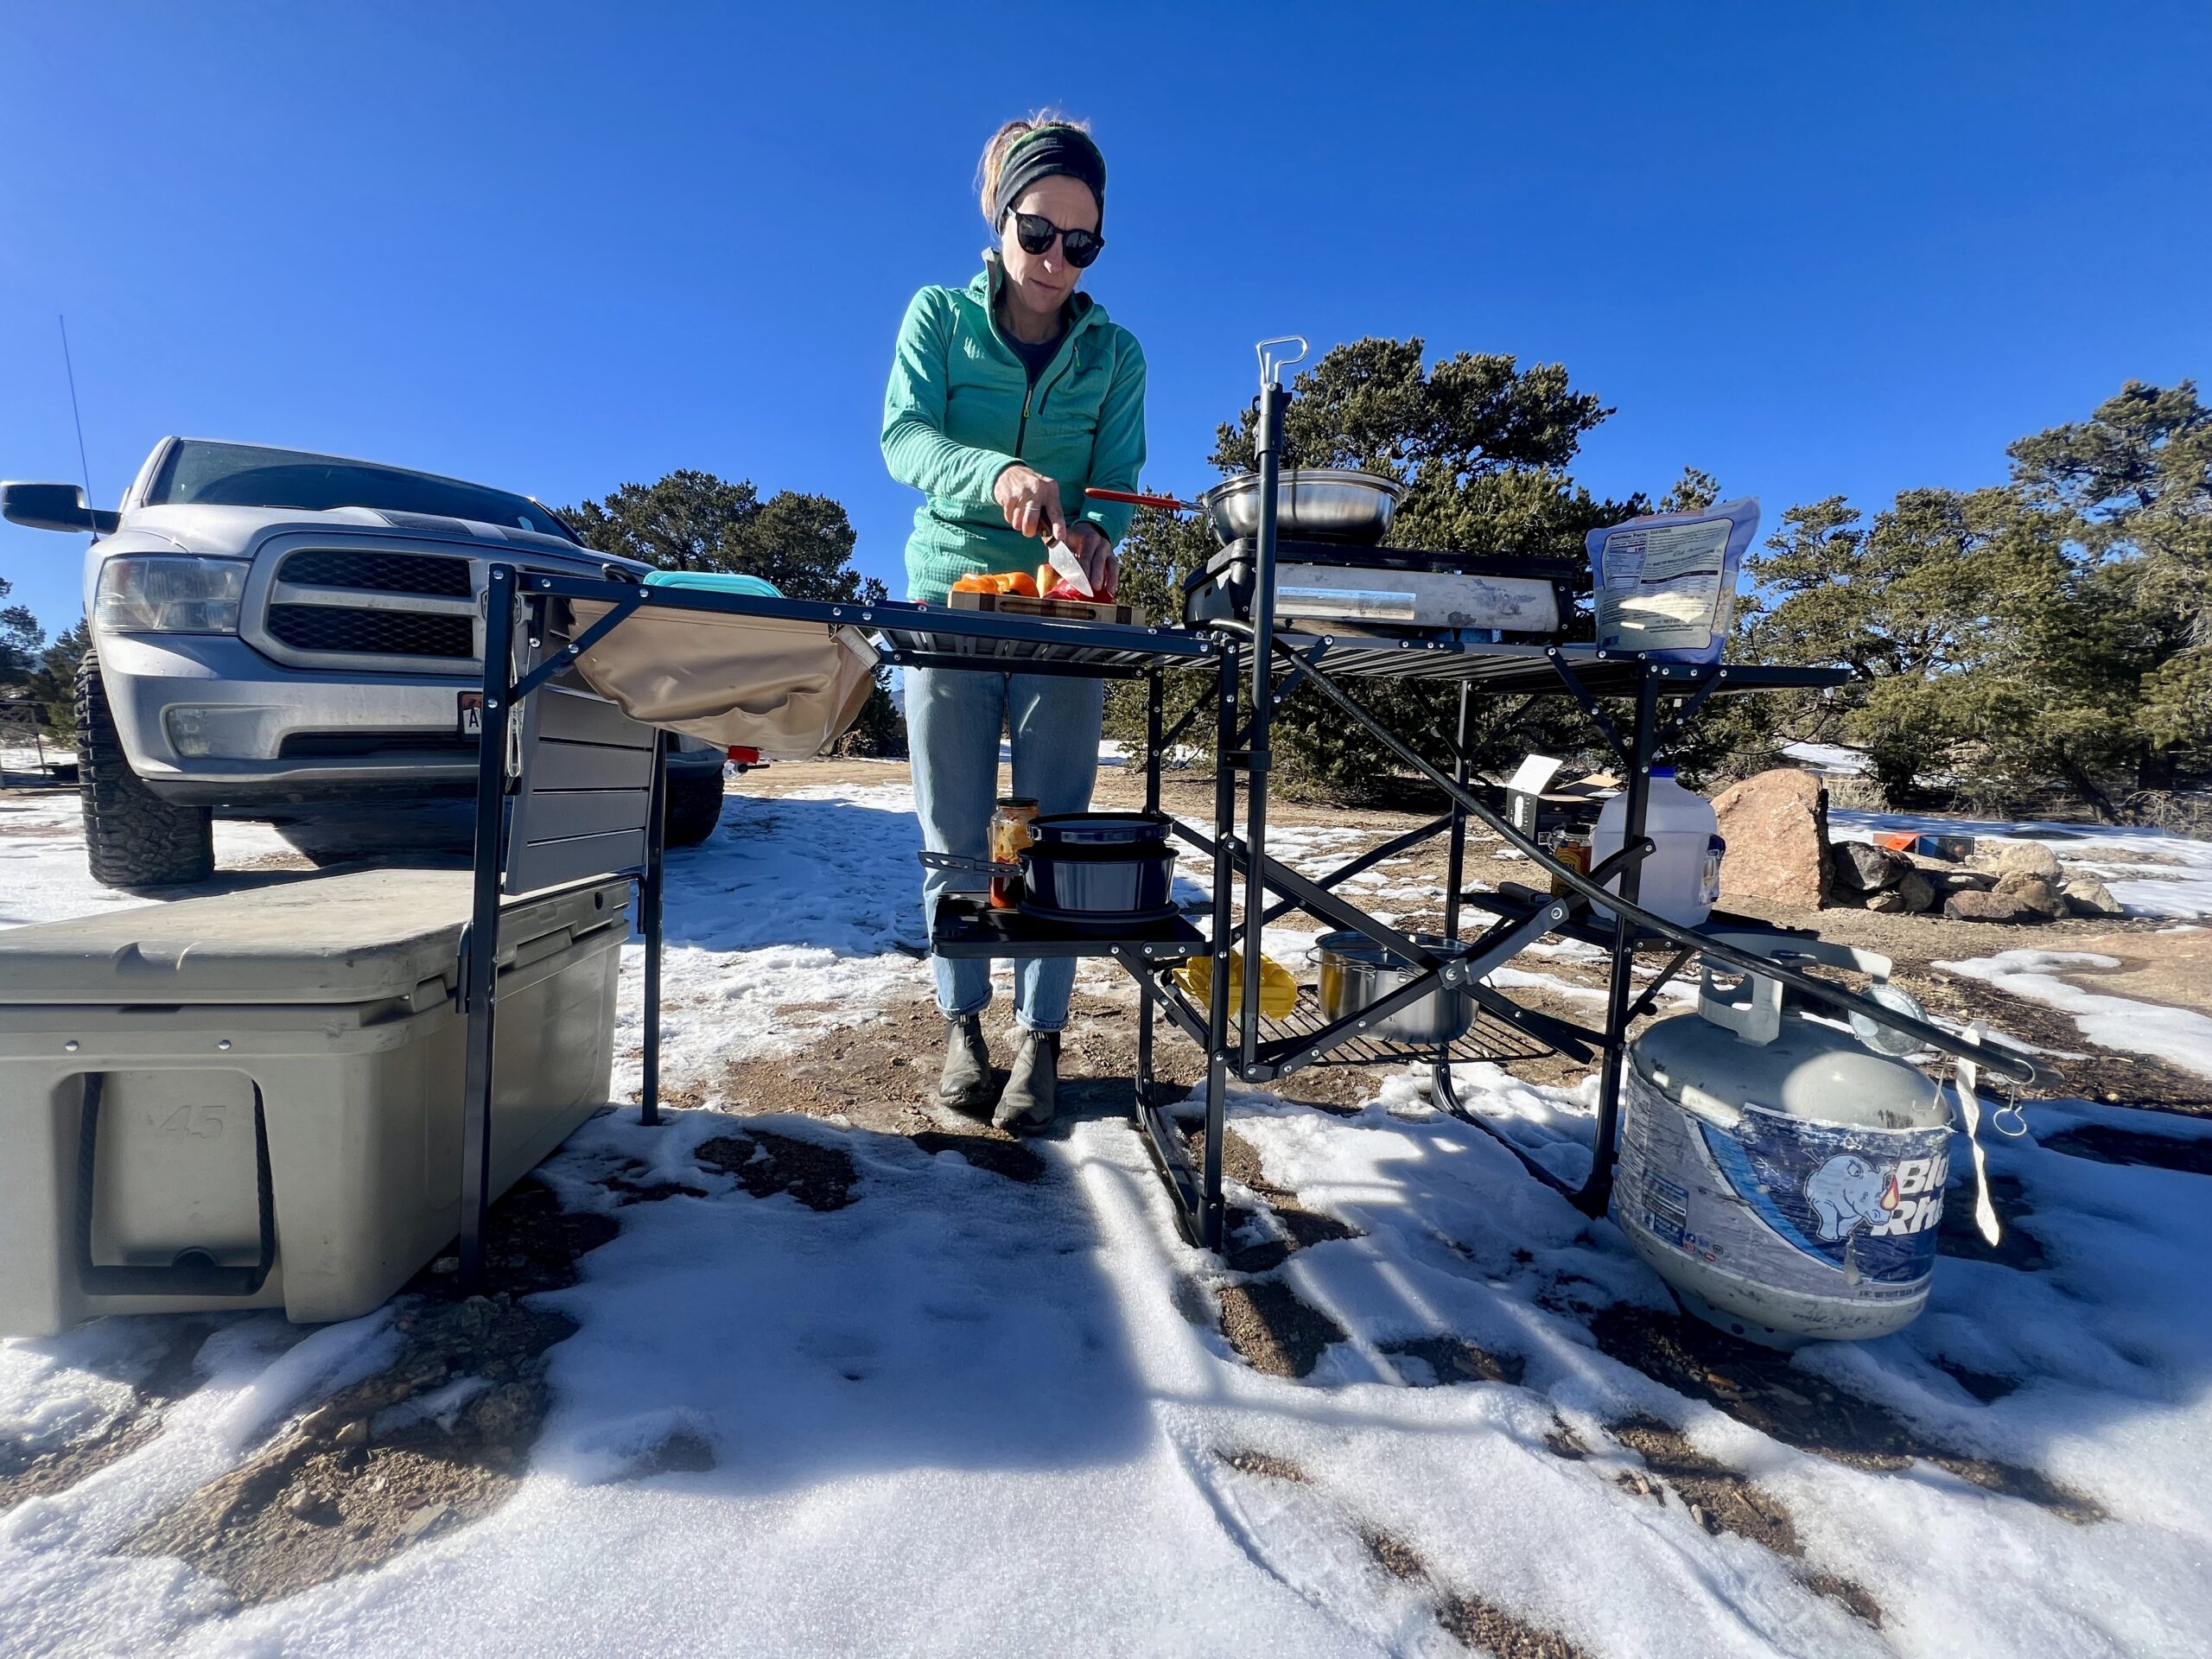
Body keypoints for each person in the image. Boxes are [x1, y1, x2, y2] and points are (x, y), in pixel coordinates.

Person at [881, 113, 1147, 1132]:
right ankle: (962, 1021)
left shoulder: (1115, 352)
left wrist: (1093, 532)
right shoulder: (936, 318)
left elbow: (1117, 485)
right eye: (1038, 234)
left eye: (1081, 244)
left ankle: (1041, 1040)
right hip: (950, 601)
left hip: (1065, 617)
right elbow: (904, 438)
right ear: (999, 222)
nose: (1056, 261)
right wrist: (993, 472)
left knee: (1056, 834)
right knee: (954, 829)